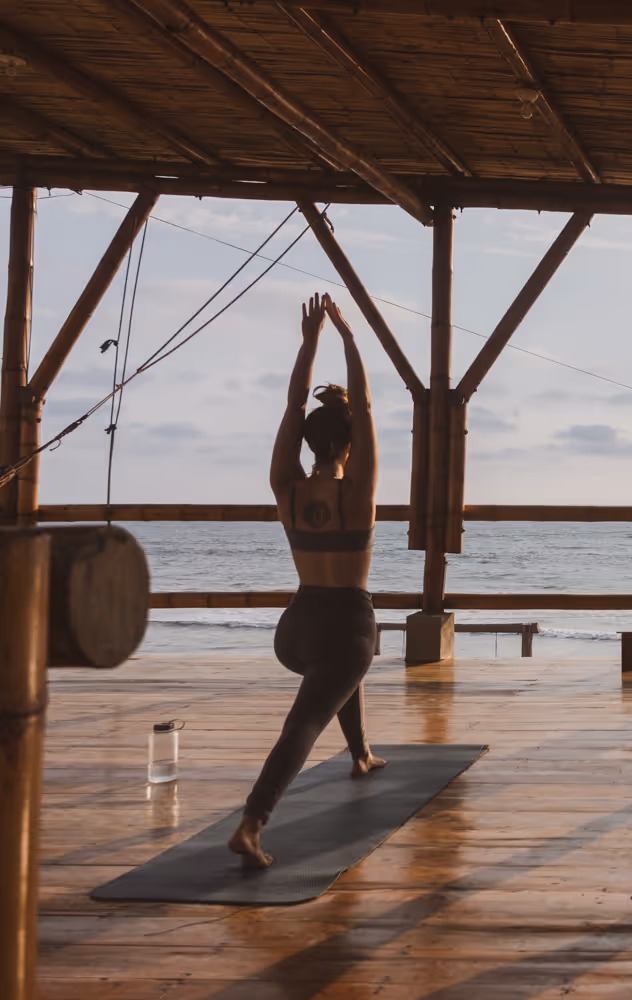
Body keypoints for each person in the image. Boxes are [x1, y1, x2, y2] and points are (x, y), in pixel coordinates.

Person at [229, 294, 384, 868]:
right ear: (348, 444)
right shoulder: (358, 493)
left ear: (309, 442)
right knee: (308, 718)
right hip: (345, 625)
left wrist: (310, 341)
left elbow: (294, 405)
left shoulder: (286, 487)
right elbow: (364, 407)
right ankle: (252, 823)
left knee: (336, 671)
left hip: (295, 630)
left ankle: (362, 752)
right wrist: (348, 339)